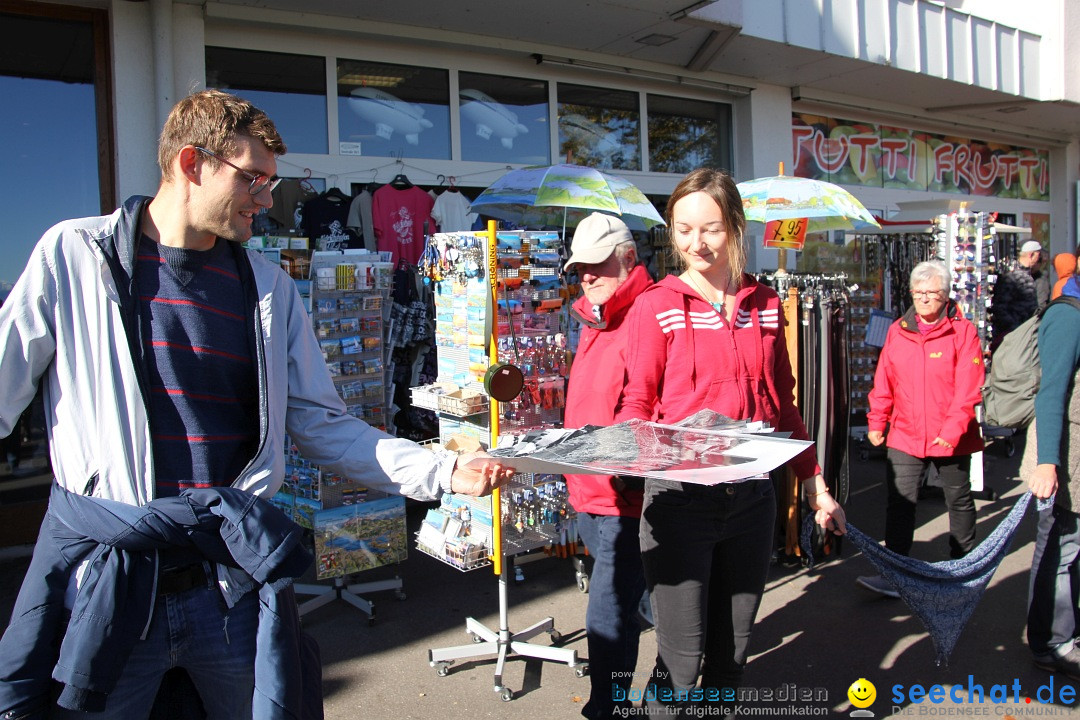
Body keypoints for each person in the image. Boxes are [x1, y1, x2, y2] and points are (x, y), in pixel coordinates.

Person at [0, 89, 513, 720]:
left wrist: (442, 470)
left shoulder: (268, 288)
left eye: (273, 182)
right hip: (111, 586)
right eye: (254, 180)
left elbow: (321, 423)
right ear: (192, 164)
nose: (267, 201)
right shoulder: (75, 257)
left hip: (229, 588)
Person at [615, 168, 846, 714]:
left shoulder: (766, 304)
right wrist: (622, 456)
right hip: (677, 503)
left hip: (751, 501)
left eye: (712, 228)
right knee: (682, 660)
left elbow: (785, 404)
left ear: (736, 228)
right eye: (684, 229)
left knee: (732, 655)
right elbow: (637, 403)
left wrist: (815, 487)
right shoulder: (657, 305)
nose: (697, 243)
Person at [563, 212, 654, 719]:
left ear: (628, 258)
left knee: (610, 611)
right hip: (589, 490)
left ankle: (608, 708)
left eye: (598, 265)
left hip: (627, 493)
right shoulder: (594, 316)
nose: (588, 276)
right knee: (628, 606)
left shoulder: (646, 312)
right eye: (580, 268)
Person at [858, 260, 984, 598]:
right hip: (906, 432)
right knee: (900, 503)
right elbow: (884, 380)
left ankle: (963, 568)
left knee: (958, 500)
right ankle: (895, 574)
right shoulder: (898, 329)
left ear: (945, 296)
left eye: (932, 293)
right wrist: (876, 420)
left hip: (952, 435)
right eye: (919, 293)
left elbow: (969, 388)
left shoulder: (964, 331)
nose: (925, 299)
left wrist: (953, 430)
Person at [1023, 263, 1080, 680]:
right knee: (1061, 549)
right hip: (1067, 456)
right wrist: (1047, 462)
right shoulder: (1068, 314)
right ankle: (1052, 641)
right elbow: (1052, 392)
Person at [992, 239, 1049, 343]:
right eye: (1038, 255)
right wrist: (1015, 329)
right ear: (1031, 255)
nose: (1040, 259)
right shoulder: (1014, 276)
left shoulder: (1023, 275)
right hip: (1015, 335)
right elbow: (1000, 307)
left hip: (1022, 333)